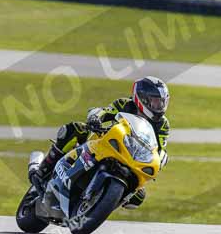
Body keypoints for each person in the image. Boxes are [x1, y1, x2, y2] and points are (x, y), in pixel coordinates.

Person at [29, 76, 170, 209]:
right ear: (143, 99)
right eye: (155, 101)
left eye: (162, 102)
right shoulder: (125, 104)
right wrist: (96, 118)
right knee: (75, 129)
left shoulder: (163, 125)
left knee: (138, 196)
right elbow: (104, 112)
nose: (159, 106)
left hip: (132, 157)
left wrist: (161, 159)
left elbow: (160, 149)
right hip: (105, 142)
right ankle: (43, 170)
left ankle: (96, 205)